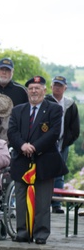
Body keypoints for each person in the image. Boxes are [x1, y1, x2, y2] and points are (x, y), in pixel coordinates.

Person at [8, 76, 66, 245]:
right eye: (31, 88)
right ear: (27, 91)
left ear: (44, 90)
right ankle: (22, 232)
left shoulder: (53, 109)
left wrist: (34, 147)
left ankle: (41, 234)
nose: (34, 91)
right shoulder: (18, 110)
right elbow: (12, 132)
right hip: (21, 159)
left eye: (37, 88)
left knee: (42, 200)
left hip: (44, 160)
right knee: (20, 199)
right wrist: (23, 146)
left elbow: (54, 133)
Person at [47, 75, 80, 214]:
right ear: (51, 86)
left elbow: (75, 128)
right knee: (44, 172)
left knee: (59, 174)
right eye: (55, 85)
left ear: (65, 88)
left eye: (60, 85)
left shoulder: (70, 104)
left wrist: (66, 141)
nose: (57, 87)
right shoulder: (45, 101)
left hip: (62, 145)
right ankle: (43, 201)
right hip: (46, 144)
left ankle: (56, 204)